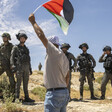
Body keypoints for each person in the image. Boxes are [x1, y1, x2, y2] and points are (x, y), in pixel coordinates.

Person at [29, 14, 70, 112]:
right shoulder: (63, 56)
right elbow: (67, 76)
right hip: (64, 91)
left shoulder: (53, 52)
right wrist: (63, 89)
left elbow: (41, 35)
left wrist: (33, 22)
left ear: (51, 44)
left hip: (54, 93)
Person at [10, 31, 34, 102]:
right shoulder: (15, 47)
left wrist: (30, 68)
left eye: (24, 38)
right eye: (21, 38)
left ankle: (27, 97)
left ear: (25, 39)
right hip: (19, 67)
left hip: (26, 67)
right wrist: (13, 66)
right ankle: (17, 98)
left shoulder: (27, 49)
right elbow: (12, 57)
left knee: (26, 83)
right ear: (19, 39)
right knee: (18, 83)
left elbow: (29, 59)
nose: (22, 39)